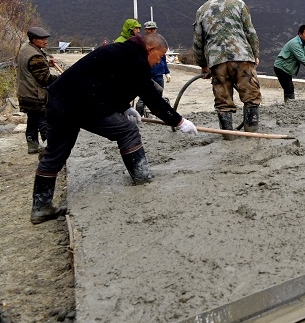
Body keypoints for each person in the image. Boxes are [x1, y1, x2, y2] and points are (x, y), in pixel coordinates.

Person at [30, 32, 198, 224]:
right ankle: (142, 177)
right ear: (149, 49)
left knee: (54, 153)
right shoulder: (136, 59)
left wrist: (125, 107)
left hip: (59, 100)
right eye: (159, 57)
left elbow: (109, 85)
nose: (158, 62)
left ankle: (41, 208)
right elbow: (152, 99)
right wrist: (179, 121)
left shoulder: (120, 51)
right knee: (128, 131)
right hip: (81, 104)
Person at [192, 0, 262, 137]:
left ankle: (228, 136)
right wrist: (254, 54)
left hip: (217, 61)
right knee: (251, 97)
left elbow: (198, 41)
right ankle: (252, 134)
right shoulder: (239, 4)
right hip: (243, 58)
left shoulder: (202, 10)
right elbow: (250, 32)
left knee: (223, 101)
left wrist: (203, 65)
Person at [16, 26, 59, 154]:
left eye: (46, 38)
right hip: (35, 94)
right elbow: (45, 79)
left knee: (33, 118)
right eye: (42, 39)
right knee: (44, 120)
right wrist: (62, 78)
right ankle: (51, 149)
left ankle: (32, 144)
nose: (45, 41)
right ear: (34, 40)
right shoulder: (35, 56)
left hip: (25, 92)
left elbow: (32, 68)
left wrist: (47, 64)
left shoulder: (26, 49)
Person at [273, 24, 305, 102]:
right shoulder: (295, 44)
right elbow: (302, 59)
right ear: (300, 34)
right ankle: (289, 106)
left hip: (287, 68)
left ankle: (289, 104)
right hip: (281, 67)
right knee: (289, 88)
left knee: (289, 87)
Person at [135, 20, 171, 116]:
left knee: (159, 92)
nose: (152, 31)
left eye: (153, 29)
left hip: (159, 73)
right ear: (146, 30)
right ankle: (139, 115)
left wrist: (167, 72)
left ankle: (157, 112)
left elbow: (163, 58)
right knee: (144, 94)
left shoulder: (159, 42)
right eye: (149, 29)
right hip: (147, 73)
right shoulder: (143, 42)